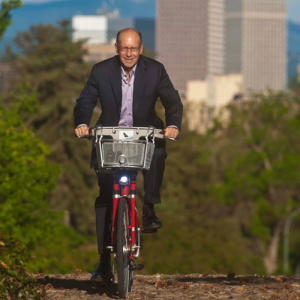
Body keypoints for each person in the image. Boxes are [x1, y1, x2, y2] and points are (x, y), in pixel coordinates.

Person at [74, 28, 183, 282]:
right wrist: (82, 122)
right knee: (104, 196)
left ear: (141, 49)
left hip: (144, 134)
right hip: (110, 136)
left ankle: (149, 208)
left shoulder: (155, 70)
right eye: (124, 48)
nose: (129, 53)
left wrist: (173, 125)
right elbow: (86, 100)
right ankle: (103, 262)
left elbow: (172, 101)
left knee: (157, 155)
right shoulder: (101, 71)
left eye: (134, 48)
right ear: (116, 48)